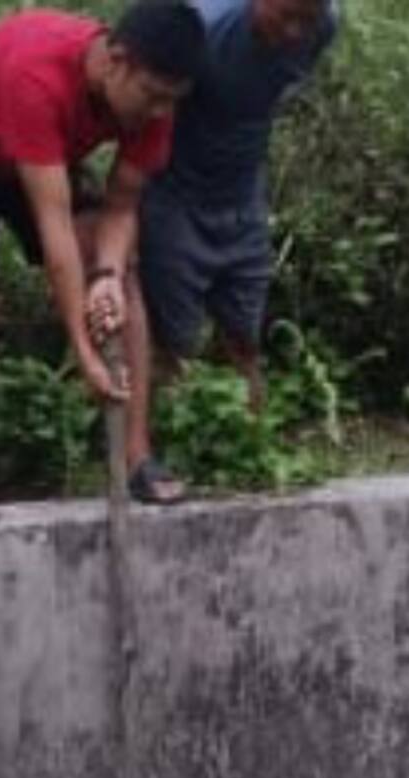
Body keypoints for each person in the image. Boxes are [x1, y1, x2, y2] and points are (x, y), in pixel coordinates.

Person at [0, 1, 208, 510]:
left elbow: (123, 203)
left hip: (42, 157)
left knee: (123, 278)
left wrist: (107, 273)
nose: (159, 113)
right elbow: (54, 230)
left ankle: (138, 459)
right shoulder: (37, 76)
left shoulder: (156, 101)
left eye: (171, 101)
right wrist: (84, 352)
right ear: (115, 59)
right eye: (152, 98)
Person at [137, 0, 336, 458]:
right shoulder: (201, 28)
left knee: (244, 336)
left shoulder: (323, 27)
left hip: (242, 194)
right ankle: (166, 452)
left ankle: (250, 446)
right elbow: (144, 109)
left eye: (305, 20)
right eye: (284, 16)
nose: (293, 32)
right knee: (173, 343)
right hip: (175, 195)